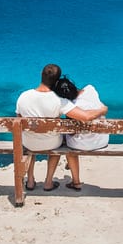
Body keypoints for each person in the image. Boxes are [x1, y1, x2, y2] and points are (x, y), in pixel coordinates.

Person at [15, 63, 107, 191]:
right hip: (51, 144)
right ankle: (48, 182)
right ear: (57, 80)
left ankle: (30, 181)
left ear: (41, 75)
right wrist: (102, 110)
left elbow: (20, 120)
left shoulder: (23, 96)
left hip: (29, 142)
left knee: (30, 142)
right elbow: (85, 116)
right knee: (59, 143)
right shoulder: (59, 100)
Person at [52, 75, 109, 191]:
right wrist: (103, 110)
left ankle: (76, 182)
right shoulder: (91, 89)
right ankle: (71, 169)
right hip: (102, 140)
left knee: (68, 146)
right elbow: (96, 105)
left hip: (83, 145)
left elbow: (72, 132)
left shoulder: (72, 107)